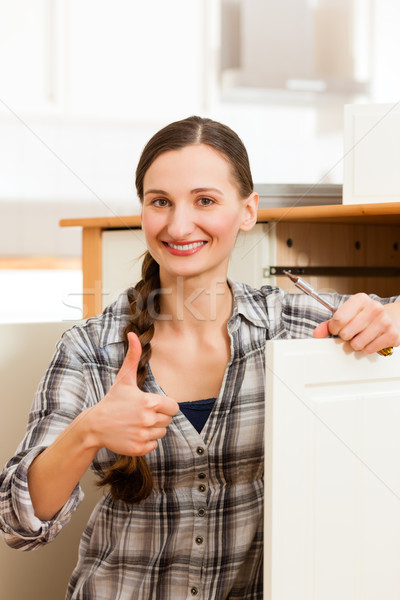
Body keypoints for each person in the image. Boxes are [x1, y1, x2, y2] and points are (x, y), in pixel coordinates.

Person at [0, 115, 399, 600]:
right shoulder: (89, 346)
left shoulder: (293, 323)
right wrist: (89, 431)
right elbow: (18, 524)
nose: (178, 224)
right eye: (160, 202)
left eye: (205, 200)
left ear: (248, 210)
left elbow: (381, 324)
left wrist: (391, 316)